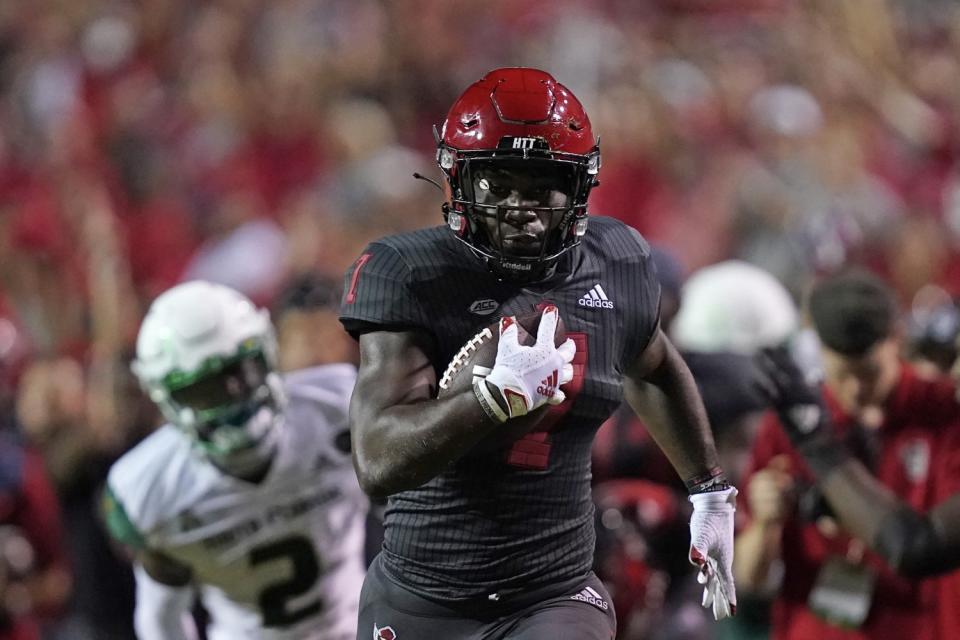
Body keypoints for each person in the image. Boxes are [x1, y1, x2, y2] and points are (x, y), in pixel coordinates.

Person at [339, 67, 736, 639]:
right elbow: (378, 463)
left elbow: (654, 369)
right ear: (460, 181)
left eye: (540, 185)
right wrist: (488, 403)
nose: (520, 208)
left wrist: (709, 491)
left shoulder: (616, 262)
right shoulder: (409, 274)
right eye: (497, 185)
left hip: (555, 593)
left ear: (579, 188)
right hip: (423, 597)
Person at [102, 280, 367, 640]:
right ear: (166, 398)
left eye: (240, 371)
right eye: (204, 390)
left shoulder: (339, 407)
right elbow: (162, 615)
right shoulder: (148, 491)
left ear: (268, 352)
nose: (233, 398)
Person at [735, 269, 960, 640]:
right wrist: (765, 523)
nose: (855, 390)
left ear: (897, 339)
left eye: (869, 373)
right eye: (841, 375)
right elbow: (748, 578)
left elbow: (919, 547)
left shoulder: (944, 414)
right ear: (818, 349)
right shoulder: (791, 422)